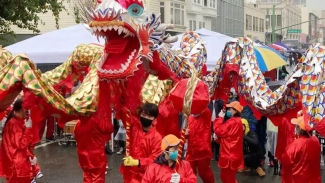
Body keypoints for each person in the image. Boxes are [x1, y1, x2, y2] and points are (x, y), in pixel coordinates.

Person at [119, 102, 162, 183]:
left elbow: (155, 160)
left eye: (149, 116)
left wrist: (138, 162)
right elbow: (124, 113)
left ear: (154, 119)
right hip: (129, 173)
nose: (145, 117)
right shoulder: (134, 126)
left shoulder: (157, 138)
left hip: (144, 177)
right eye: (143, 114)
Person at [0, 99, 36, 183]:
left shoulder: (15, 121)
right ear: (22, 109)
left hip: (16, 164)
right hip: (17, 166)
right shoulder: (14, 124)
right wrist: (28, 129)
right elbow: (21, 144)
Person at [281, 114, 321, 183]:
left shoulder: (296, 144)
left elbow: (285, 160)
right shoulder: (316, 141)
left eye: (296, 126)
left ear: (299, 129)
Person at [74, 114, 113, 183]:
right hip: (96, 157)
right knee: (97, 178)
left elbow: (77, 138)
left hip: (83, 157)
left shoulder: (78, 123)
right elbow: (109, 128)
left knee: (87, 177)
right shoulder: (97, 120)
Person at [213, 101, 244, 183]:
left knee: (228, 178)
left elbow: (218, 130)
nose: (228, 110)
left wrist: (219, 118)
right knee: (225, 177)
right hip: (232, 155)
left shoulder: (232, 122)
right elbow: (229, 137)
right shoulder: (237, 121)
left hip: (229, 156)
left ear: (235, 110)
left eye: (230, 109)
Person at [186, 107, 214, 183]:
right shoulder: (190, 117)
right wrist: (184, 133)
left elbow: (205, 108)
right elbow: (186, 132)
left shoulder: (206, 114)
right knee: (189, 173)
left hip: (202, 151)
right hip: (191, 151)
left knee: (204, 174)